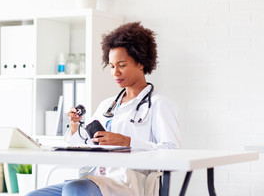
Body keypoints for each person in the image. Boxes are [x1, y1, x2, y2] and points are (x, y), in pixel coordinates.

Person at [25, 22, 181, 196]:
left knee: (75, 189)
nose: (115, 73)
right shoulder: (107, 105)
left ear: (141, 63)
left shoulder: (159, 104)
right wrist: (76, 128)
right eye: (112, 66)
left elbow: (173, 153)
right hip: (95, 178)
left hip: (128, 184)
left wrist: (127, 142)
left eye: (122, 65)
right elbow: (87, 146)